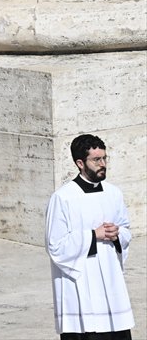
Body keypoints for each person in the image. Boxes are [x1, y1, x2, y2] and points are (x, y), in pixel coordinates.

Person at [46, 134, 135, 340]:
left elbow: (126, 230)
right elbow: (55, 246)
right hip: (81, 288)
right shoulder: (63, 198)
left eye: (104, 158)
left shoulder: (114, 193)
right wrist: (92, 236)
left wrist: (117, 234)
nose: (102, 164)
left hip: (111, 286)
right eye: (96, 160)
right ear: (80, 163)